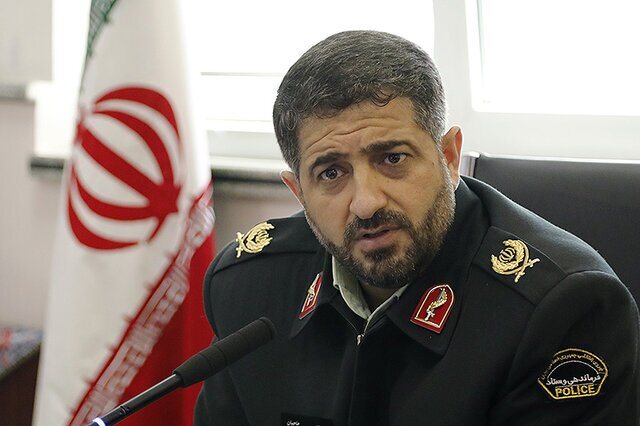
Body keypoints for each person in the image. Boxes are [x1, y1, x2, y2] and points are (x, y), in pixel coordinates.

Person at [194, 30, 640, 425]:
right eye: (331, 173)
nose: (366, 203)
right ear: (298, 192)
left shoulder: (559, 310)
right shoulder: (248, 287)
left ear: (449, 157)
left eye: (392, 158)